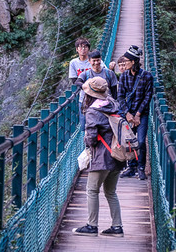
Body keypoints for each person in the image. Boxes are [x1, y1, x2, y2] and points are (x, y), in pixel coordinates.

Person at [72, 77, 125, 237]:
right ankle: (117, 227)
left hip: (102, 156)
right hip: (117, 153)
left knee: (92, 190)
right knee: (111, 192)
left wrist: (87, 140)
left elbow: (91, 138)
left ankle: (91, 226)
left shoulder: (93, 111)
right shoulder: (112, 103)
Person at [117, 45, 153, 181]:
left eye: (126, 60)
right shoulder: (123, 76)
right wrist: (127, 113)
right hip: (127, 113)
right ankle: (131, 167)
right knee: (128, 142)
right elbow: (120, 96)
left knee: (141, 141)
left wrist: (137, 114)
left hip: (141, 114)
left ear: (133, 62)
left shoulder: (147, 76)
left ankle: (141, 168)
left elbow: (147, 97)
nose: (123, 63)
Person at [74, 50, 118, 131]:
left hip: (105, 105)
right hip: (88, 105)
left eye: (98, 60)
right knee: (86, 128)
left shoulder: (109, 73)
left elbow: (114, 91)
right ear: (89, 61)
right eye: (93, 61)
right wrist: (85, 86)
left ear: (101, 59)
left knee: (105, 128)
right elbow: (77, 82)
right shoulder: (86, 74)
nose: (96, 63)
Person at [69, 39, 106, 131]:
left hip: (98, 96)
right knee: (84, 125)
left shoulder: (94, 59)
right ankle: (87, 144)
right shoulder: (73, 63)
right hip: (84, 97)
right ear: (77, 49)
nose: (83, 49)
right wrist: (88, 85)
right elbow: (74, 80)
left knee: (98, 124)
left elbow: (104, 72)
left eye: (85, 47)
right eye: (80, 47)